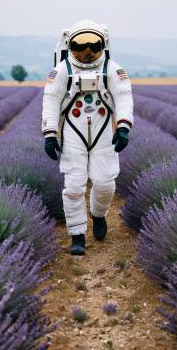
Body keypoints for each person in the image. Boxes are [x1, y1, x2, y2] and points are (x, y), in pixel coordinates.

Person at [41, 19, 134, 255]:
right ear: (70, 46)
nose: (88, 52)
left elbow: (123, 96)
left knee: (104, 182)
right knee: (73, 185)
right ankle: (77, 235)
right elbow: (51, 99)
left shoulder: (112, 69)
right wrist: (50, 133)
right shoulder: (62, 70)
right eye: (80, 45)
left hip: (103, 131)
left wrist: (123, 127)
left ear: (103, 45)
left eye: (93, 45)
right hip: (74, 131)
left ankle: (98, 214)